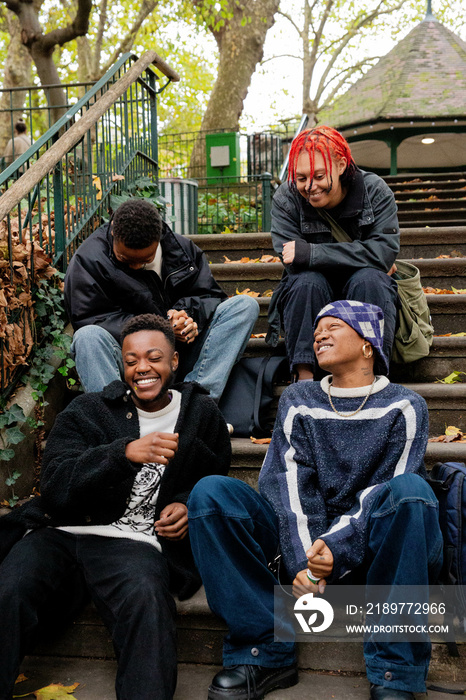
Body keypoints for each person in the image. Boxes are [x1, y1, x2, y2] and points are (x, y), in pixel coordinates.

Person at [188, 300, 443, 700]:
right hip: (305, 556)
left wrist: (334, 553)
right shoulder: (298, 397)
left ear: (367, 345)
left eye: (333, 326)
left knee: (411, 493)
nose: (318, 334)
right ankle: (264, 650)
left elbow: (387, 488)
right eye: (316, 329)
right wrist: (309, 561)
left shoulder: (406, 405)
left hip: (378, 548)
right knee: (211, 493)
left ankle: (395, 671)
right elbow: (285, 485)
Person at [0, 313, 231, 700]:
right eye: (131, 360)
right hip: (59, 532)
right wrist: (122, 454)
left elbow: (213, 478)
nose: (142, 368)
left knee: (148, 601)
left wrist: (186, 504)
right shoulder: (88, 410)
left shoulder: (201, 415)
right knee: (9, 591)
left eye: (154, 357)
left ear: (175, 361)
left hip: (133, 543)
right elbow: (55, 485)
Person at [64, 197, 259, 400]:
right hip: (131, 365)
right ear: (113, 232)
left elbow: (208, 295)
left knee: (244, 306)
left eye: (145, 260)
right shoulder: (88, 260)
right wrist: (159, 328)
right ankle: (117, 419)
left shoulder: (181, 248)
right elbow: (91, 319)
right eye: (125, 259)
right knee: (87, 337)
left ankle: (197, 403)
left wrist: (188, 319)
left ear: (159, 239)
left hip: (182, 355)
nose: (135, 267)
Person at [267, 125, 400, 381]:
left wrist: (311, 254)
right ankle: (304, 380)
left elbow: (383, 253)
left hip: (365, 288)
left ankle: (370, 377)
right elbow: (293, 261)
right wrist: (365, 256)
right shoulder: (287, 197)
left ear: (340, 165)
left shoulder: (375, 191)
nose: (309, 186)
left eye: (319, 176)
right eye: (302, 178)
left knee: (370, 279)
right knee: (306, 281)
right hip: (309, 291)